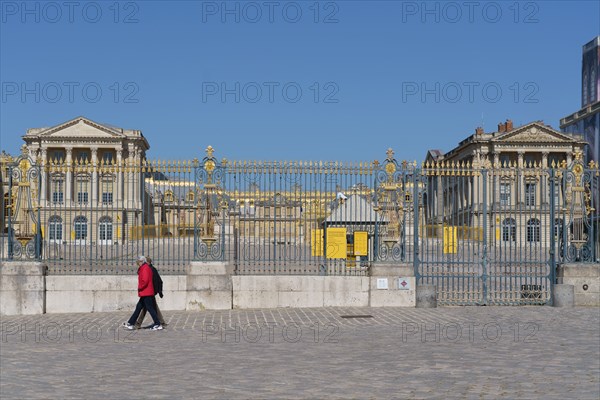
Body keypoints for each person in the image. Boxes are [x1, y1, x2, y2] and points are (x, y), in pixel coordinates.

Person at [122, 256, 163, 331]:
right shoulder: (145, 268)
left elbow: (145, 280)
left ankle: (157, 324)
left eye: (138, 262)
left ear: (141, 261)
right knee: (138, 308)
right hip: (145, 292)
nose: (138, 264)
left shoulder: (145, 268)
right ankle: (131, 323)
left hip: (146, 292)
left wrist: (140, 287)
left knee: (150, 309)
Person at [134, 256, 167, 329]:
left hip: (150, 291)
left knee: (146, 307)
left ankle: (138, 323)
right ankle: (161, 322)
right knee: (152, 306)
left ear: (148, 262)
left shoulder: (150, 269)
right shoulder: (148, 269)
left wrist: (158, 291)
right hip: (150, 291)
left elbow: (157, 281)